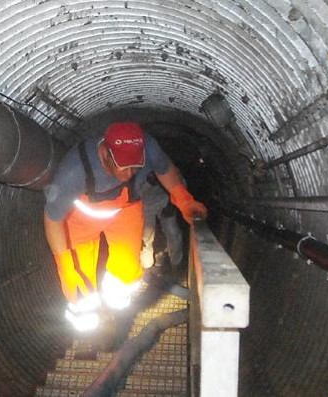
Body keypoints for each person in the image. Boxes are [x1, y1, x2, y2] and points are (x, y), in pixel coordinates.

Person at [43, 121, 207, 331]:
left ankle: (116, 314)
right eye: (123, 167)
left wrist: (183, 199)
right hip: (80, 219)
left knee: (127, 271)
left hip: (124, 210)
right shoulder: (74, 170)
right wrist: (65, 265)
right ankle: (90, 326)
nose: (130, 174)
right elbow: (52, 218)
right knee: (80, 287)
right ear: (105, 153)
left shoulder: (147, 146)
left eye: (135, 166)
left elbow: (165, 169)